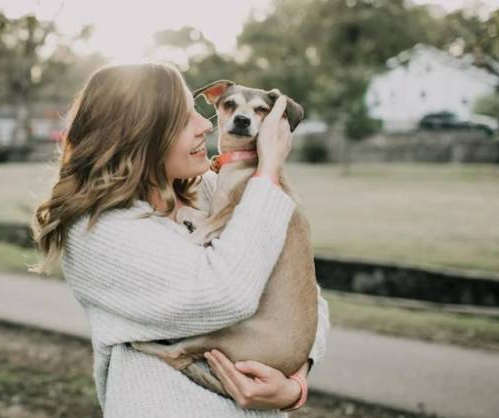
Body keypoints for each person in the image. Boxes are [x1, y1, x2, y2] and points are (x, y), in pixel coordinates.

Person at [31, 62, 330, 417]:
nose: (206, 124)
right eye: (185, 119)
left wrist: (294, 384)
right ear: (141, 135)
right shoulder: (97, 232)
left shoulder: (210, 192)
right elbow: (225, 294)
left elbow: (304, 295)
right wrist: (268, 172)